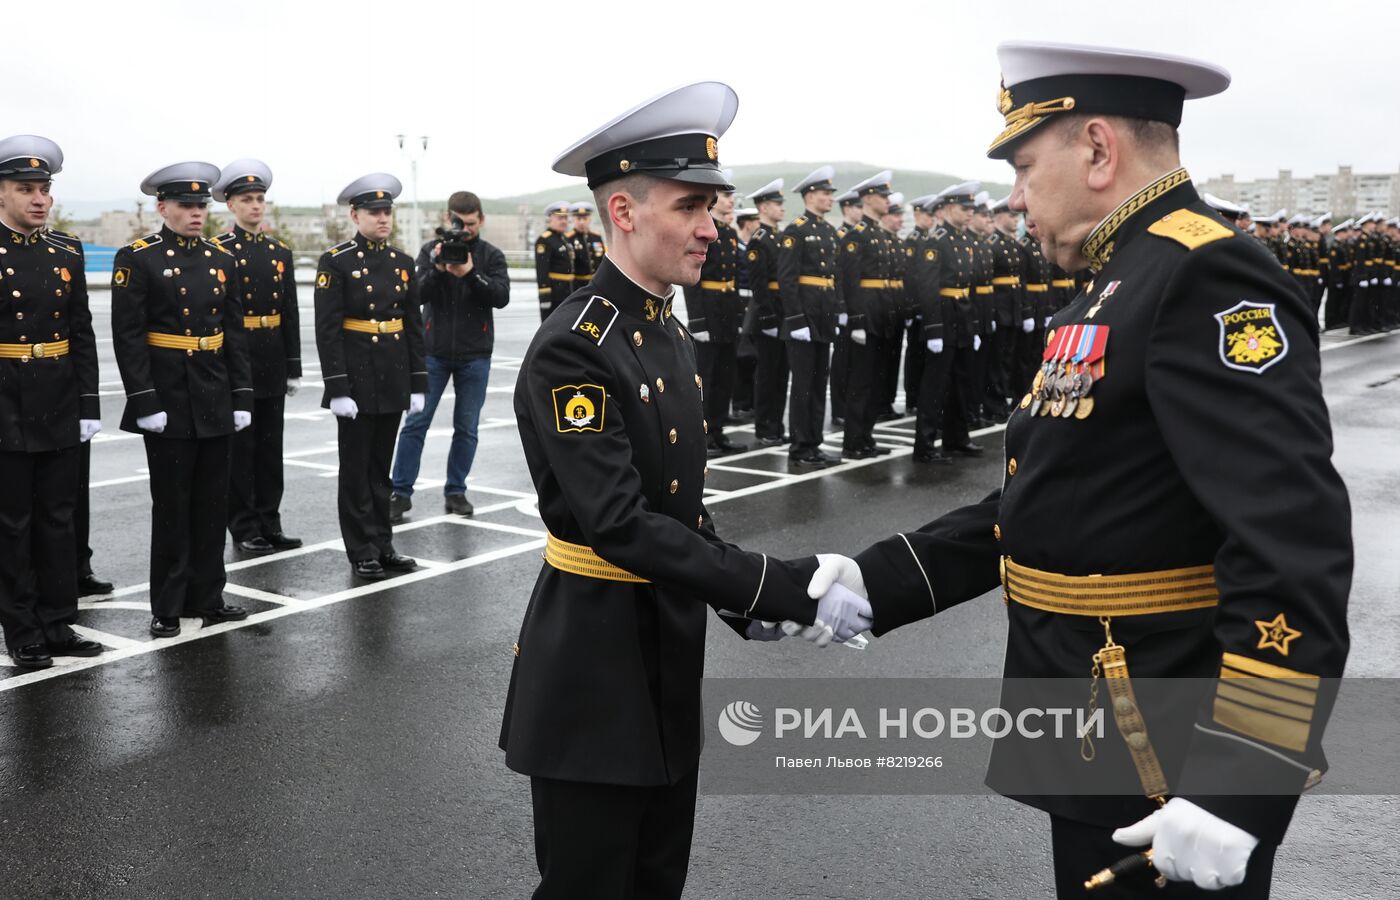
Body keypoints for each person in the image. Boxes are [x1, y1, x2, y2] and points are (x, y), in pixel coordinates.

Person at [802, 42, 1352, 896]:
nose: (1015, 198)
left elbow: (1294, 547)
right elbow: (1059, 492)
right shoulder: (1119, 278)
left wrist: (1241, 786)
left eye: (1025, 165)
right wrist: (880, 581)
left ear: (1098, 150)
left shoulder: (1203, 275)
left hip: (1169, 747)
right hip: (1103, 714)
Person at [500, 81, 870, 900]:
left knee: (656, 882)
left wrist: (743, 602)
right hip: (593, 668)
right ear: (625, 212)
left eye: (715, 205)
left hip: (666, 652)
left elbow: (682, 508)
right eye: (692, 205)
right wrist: (782, 587)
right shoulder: (576, 346)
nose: (714, 226)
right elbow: (621, 525)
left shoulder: (664, 326)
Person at [111, 162, 253, 637]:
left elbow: (233, 333)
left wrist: (242, 396)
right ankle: (168, 603)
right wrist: (145, 400)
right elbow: (128, 336)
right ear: (162, 207)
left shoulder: (221, 258)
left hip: (213, 391)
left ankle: (208, 596)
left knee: (213, 503)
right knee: (172, 505)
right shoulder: (139, 257)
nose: (196, 213)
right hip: (169, 396)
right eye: (186, 206)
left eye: (201, 206)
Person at [0, 135, 104, 668]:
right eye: (25, 189)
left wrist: (88, 404)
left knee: (58, 518)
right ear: (2, 194)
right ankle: (22, 631)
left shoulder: (66, 250)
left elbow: (81, 331)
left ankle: (58, 621)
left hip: (59, 397)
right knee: (13, 524)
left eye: (44, 190)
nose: (39, 199)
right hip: (7, 401)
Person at [314, 173, 427, 580]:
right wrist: (338, 388)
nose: (382, 218)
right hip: (358, 378)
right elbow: (328, 331)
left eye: (386, 212)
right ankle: (360, 548)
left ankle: (383, 542)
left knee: (381, 468)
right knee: (356, 468)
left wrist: (418, 382)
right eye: (374, 212)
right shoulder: (337, 261)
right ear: (355, 215)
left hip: (393, 374)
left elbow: (413, 324)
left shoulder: (401, 261)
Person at [389, 191, 510, 522]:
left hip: (475, 354)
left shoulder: (491, 255)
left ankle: (456, 490)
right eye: (459, 222)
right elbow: (413, 295)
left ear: (481, 220)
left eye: (471, 223)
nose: (464, 230)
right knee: (415, 423)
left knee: (467, 427)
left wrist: (471, 274)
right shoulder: (431, 251)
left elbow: (501, 297)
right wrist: (439, 270)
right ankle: (400, 493)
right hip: (434, 353)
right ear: (447, 219)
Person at [211, 159, 303, 554]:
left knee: (270, 448)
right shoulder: (219, 250)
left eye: (260, 199)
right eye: (247, 199)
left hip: (270, 355)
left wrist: (293, 366)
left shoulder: (278, 251)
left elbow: (290, 312)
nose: (255, 206)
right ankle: (244, 526)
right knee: (241, 451)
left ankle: (270, 520)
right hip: (238, 356)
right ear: (230, 205)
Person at [778, 166, 842, 469]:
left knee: (819, 384)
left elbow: (834, 277)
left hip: (824, 317)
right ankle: (800, 446)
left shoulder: (829, 231)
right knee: (803, 386)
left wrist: (837, 312)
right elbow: (787, 280)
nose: (831, 198)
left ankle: (814, 442)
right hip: (805, 318)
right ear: (810, 195)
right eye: (826, 194)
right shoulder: (797, 230)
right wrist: (796, 320)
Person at [684, 169, 747, 456]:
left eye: (733, 196)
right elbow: (693, 279)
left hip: (727, 312)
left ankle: (718, 431)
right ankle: (702, 434)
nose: (732, 201)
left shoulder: (731, 232)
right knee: (706, 378)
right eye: (727, 196)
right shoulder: (701, 229)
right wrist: (697, 321)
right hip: (708, 311)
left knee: (725, 377)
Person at [838, 170, 898, 459]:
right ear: (869, 198)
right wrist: (858, 321)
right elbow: (851, 281)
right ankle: (853, 441)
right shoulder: (857, 236)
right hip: (867, 316)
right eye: (883, 196)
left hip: (883, 315)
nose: (887, 201)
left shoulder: (880, 235)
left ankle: (867, 436)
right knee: (861, 382)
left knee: (876, 381)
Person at [741, 180, 789, 446]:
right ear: (763, 207)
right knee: (768, 374)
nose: (782, 208)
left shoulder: (780, 238)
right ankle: (765, 427)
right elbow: (759, 286)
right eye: (777, 204)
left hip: (782, 313)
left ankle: (777, 425)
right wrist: (769, 317)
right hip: (767, 316)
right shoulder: (759, 241)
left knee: (781, 374)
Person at [829, 189, 864, 427]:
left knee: (856, 362)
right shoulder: (840, 235)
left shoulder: (859, 236)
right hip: (845, 308)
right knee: (842, 361)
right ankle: (839, 409)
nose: (861, 211)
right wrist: (841, 307)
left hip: (859, 306)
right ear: (847, 209)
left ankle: (850, 406)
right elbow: (838, 275)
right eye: (857, 207)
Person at [534, 201, 574, 322]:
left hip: (568, 292)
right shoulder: (544, 240)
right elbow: (542, 271)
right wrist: (545, 296)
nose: (563, 221)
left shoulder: (564, 239)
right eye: (560, 218)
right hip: (554, 295)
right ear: (550, 218)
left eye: (566, 218)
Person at [567, 201, 605, 287]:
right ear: (573, 219)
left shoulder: (596, 237)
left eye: (585, 218)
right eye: (578, 219)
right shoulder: (569, 238)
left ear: (590, 219)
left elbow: (602, 259)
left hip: (597, 283)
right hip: (577, 284)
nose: (582, 222)